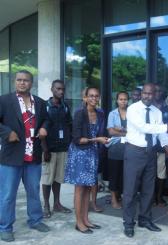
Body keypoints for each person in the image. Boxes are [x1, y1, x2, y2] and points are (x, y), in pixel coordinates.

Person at [0, 70, 50, 242]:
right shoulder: (4, 100)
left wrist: (45, 127)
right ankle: (5, 227)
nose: (22, 83)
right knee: (7, 194)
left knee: (34, 191)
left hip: (33, 156)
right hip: (11, 157)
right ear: (15, 81)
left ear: (31, 83)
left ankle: (35, 220)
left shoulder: (41, 103)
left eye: (26, 80)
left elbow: (46, 119)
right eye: (19, 80)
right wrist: (7, 132)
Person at [123, 83, 168, 238]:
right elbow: (144, 127)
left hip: (151, 152)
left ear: (155, 94)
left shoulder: (157, 111)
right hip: (134, 152)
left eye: (151, 94)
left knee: (148, 189)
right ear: (141, 93)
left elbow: (161, 134)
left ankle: (145, 219)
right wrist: (167, 128)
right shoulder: (132, 109)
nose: (148, 96)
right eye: (145, 93)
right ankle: (129, 223)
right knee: (130, 190)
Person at [64, 87, 109, 234]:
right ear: (85, 98)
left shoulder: (100, 114)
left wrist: (105, 140)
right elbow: (77, 139)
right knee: (80, 188)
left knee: (89, 187)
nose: (94, 99)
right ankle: (79, 222)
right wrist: (97, 139)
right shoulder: (79, 113)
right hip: (80, 153)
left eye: (96, 96)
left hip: (93, 153)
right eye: (91, 96)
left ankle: (86, 219)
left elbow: (101, 133)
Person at [41, 80, 72, 219]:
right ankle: (46, 205)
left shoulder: (65, 107)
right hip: (49, 149)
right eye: (58, 89)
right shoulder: (44, 106)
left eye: (63, 89)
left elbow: (69, 125)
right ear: (52, 89)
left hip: (62, 148)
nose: (61, 91)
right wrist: (45, 150)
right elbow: (40, 129)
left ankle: (57, 204)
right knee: (48, 178)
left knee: (58, 178)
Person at [106, 91, 128, 209]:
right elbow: (110, 131)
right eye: (120, 99)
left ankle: (123, 198)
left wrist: (120, 130)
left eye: (125, 99)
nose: (123, 101)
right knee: (114, 175)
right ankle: (114, 200)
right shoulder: (112, 114)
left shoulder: (132, 113)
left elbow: (134, 131)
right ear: (117, 100)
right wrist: (125, 131)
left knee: (125, 175)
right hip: (115, 148)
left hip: (128, 148)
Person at [152, 84, 168, 207]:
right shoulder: (148, 108)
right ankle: (151, 197)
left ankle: (159, 197)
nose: (158, 93)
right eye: (156, 91)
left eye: (160, 91)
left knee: (161, 174)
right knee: (150, 173)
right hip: (150, 147)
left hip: (163, 147)